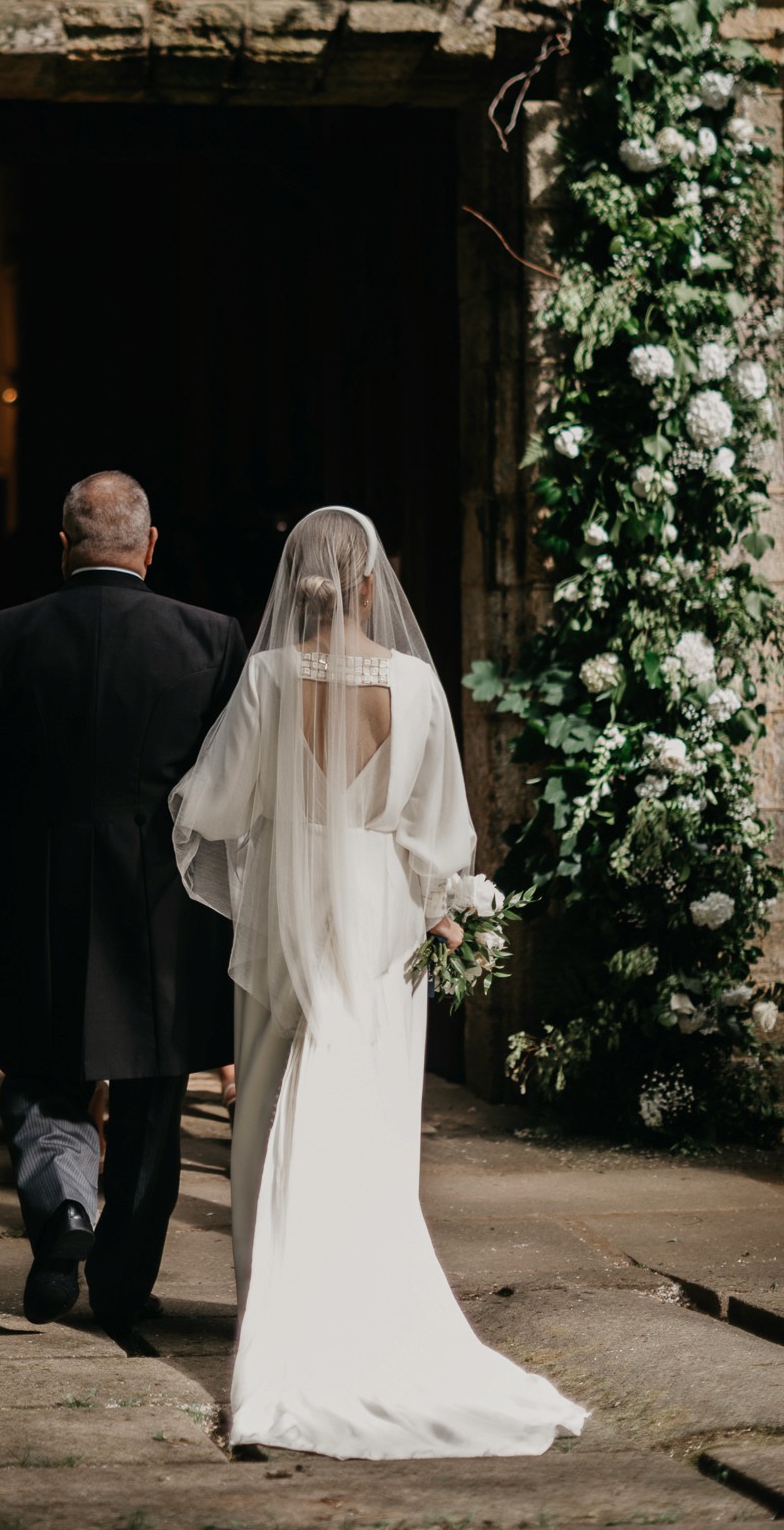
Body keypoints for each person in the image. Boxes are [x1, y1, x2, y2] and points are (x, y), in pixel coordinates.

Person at [170, 506, 587, 1458]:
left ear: (297, 583)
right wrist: (443, 902)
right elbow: (440, 826)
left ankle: (274, 1306)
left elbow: (220, 803)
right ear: (371, 583)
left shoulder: (268, 677)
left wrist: (178, 797)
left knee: (272, 1100)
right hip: (381, 918)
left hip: (287, 915)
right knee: (368, 1100)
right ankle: (364, 1290)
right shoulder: (416, 684)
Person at [0, 470, 245, 1334]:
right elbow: (231, 791)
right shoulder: (212, 639)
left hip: (35, 897)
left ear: (62, 543)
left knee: (42, 1079)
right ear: (149, 545)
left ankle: (63, 1210)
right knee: (149, 1102)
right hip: (163, 906)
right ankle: (118, 1284)